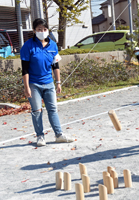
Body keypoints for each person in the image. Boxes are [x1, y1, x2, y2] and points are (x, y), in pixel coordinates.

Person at [20, 18, 74, 146]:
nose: (42, 32)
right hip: (34, 84)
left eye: (44, 29)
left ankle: (59, 134)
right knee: (37, 111)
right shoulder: (28, 46)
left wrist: (58, 82)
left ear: (48, 30)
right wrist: (26, 87)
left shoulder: (53, 45)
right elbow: (25, 69)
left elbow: (56, 66)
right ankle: (40, 136)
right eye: (39, 29)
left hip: (49, 83)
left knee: (52, 109)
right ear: (34, 30)